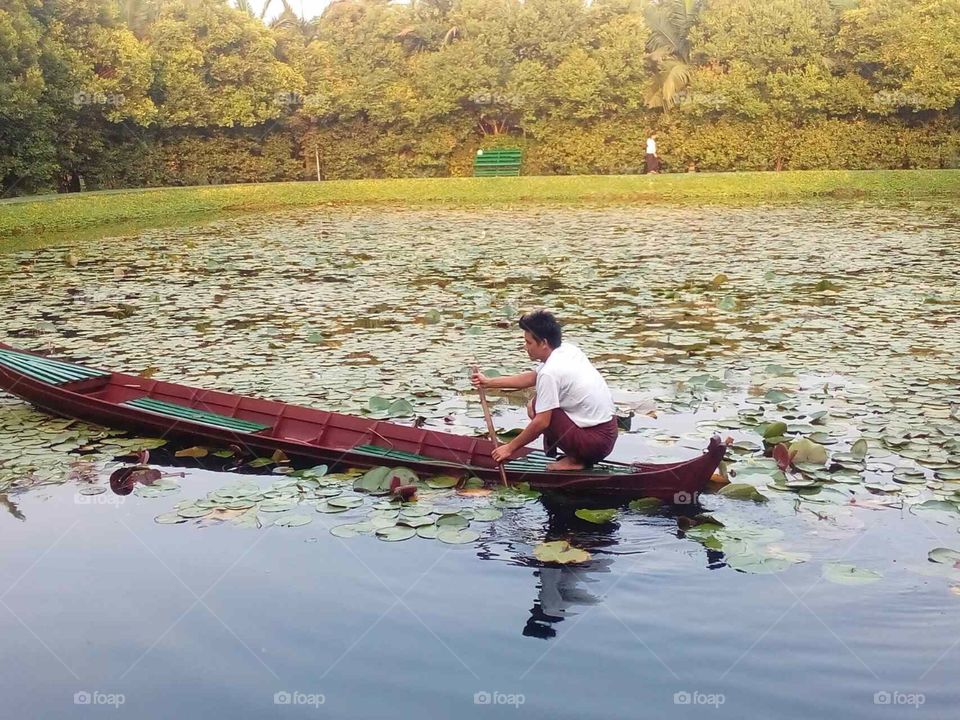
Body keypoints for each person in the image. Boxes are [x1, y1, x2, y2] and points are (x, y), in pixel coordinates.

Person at [471, 309, 618, 471]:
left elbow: (542, 422)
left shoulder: (550, 372)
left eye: (529, 343)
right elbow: (531, 378)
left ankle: (577, 460)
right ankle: (571, 454)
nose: (525, 347)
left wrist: (509, 448)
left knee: (537, 408)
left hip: (594, 443)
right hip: (609, 433)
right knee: (534, 405)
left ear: (544, 343)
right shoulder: (567, 350)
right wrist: (489, 382)